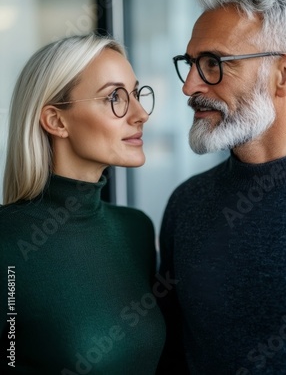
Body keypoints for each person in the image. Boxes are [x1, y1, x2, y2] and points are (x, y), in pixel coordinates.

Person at [157, 0, 286, 374]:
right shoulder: (187, 203)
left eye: (214, 63)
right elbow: (173, 354)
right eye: (190, 63)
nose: (189, 87)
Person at [0, 33, 166, 374]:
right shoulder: (7, 241)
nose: (140, 114)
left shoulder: (135, 229)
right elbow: (10, 356)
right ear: (56, 121)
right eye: (114, 97)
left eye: (136, 94)